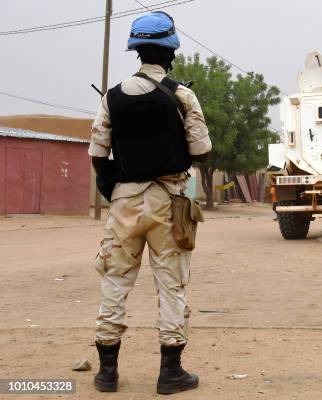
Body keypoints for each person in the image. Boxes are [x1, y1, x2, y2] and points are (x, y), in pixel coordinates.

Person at [88, 11, 212, 394]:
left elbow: (97, 154)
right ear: (170, 54)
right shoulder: (182, 95)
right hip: (169, 203)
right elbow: (203, 152)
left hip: (124, 202)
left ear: (137, 51)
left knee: (114, 284)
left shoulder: (112, 97)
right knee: (172, 287)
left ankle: (107, 374)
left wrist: (118, 189)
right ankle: (170, 373)